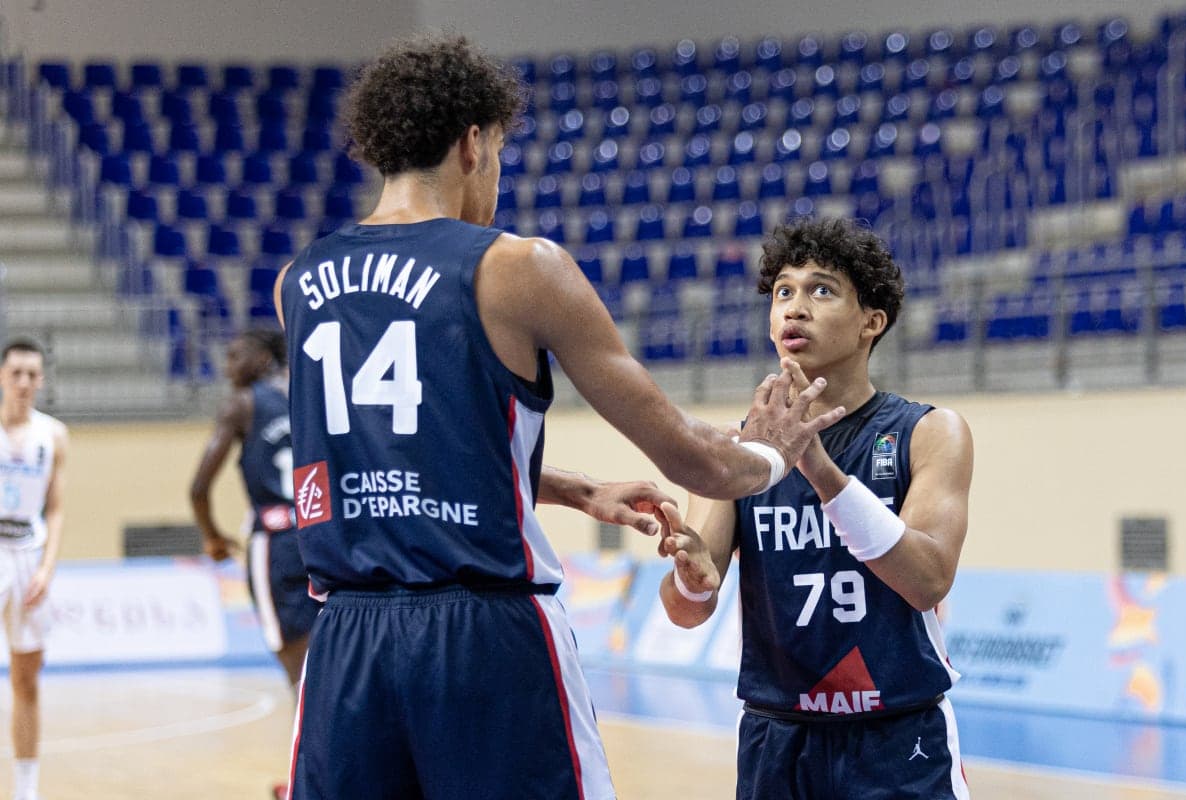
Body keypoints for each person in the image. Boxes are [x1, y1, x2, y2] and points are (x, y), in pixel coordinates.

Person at [272, 34, 839, 800]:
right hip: (486, 638)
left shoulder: (297, 283)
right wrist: (772, 454)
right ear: (473, 142)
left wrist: (576, 489)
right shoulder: (517, 267)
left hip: (346, 642)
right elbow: (694, 458)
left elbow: (405, 450)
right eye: (500, 153)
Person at [659, 217, 974, 800]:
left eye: (821, 290)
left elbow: (928, 580)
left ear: (871, 322)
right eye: (783, 292)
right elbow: (685, 612)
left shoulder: (929, 432)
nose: (794, 308)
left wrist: (817, 467)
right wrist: (690, 579)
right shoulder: (733, 452)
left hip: (898, 736)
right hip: (776, 736)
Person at [188, 329, 320, 800]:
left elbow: (198, 488)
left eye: (234, 355)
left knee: (297, 670)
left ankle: (306, 781)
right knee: (326, 664)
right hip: (322, 537)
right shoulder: (308, 393)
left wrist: (212, 536)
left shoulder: (242, 404)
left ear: (264, 358)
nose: (227, 365)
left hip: (276, 545)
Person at [0, 338, 68, 800]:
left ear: (41, 380)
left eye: (31, 374)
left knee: (26, 680)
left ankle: (26, 792)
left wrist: (47, 567)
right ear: (2, 377)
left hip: (28, 554)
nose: (24, 382)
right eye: (16, 373)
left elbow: (57, 508)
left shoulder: (54, 435)